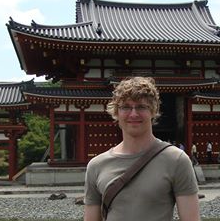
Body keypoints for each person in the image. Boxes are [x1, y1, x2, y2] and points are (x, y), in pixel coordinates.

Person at [84, 77, 200, 221]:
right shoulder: (96, 165)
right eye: (125, 107)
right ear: (116, 113)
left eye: (141, 107)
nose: (133, 114)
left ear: (153, 111)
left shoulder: (176, 160)